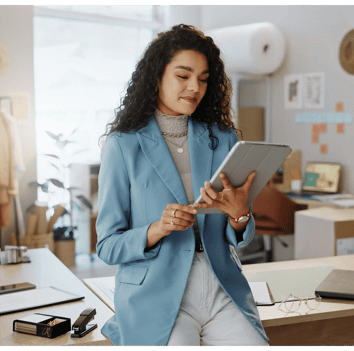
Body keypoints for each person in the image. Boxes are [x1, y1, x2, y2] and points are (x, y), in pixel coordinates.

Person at [95, 24, 269, 346]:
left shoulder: (223, 138)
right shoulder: (122, 146)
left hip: (220, 286)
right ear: (157, 76)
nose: (195, 88)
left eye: (203, 79)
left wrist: (240, 215)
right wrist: (157, 229)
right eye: (183, 76)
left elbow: (239, 236)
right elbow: (107, 245)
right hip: (157, 293)